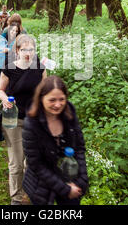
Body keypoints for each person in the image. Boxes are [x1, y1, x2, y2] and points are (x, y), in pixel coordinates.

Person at [0, 34, 47, 205]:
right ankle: (16, 199)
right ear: (17, 50)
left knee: (31, 161)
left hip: (34, 120)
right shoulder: (9, 69)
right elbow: (0, 90)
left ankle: (31, 191)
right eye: (24, 49)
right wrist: (4, 99)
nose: (28, 53)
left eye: (31, 49)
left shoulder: (40, 68)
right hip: (13, 120)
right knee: (16, 164)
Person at [22, 75, 89, 205]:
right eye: (52, 100)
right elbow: (36, 164)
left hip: (69, 175)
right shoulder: (31, 124)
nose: (58, 105)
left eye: (61, 99)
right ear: (41, 99)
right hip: (42, 183)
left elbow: (79, 148)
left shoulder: (69, 113)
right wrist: (64, 189)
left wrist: (82, 179)